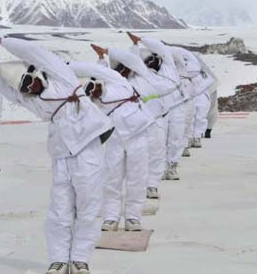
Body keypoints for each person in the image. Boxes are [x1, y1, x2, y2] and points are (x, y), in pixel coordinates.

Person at [0, 30, 112, 274]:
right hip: (61, 154)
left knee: (88, 207)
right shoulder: (31, 100)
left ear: (35, 73)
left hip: (88, 151)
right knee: (59, 210)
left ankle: (80, 259)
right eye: (25, 87)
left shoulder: (62, 78)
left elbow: (35, 52)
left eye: (29, 81)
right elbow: (3, 88)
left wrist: (2, 42)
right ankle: (58, 259)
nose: (30, 88)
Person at [73, 47, 153, 232]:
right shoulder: (99, 91)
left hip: (138, 134)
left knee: (137, 178)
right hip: (114, 137)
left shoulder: (127, 82)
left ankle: (133, 217)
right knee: (111, 179)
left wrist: (108, 51)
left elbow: (127, 63)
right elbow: (95, 72)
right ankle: (110, 217)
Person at [107, 40, 178, 201]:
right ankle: (124, 190)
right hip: (134, 126)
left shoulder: (153, 78)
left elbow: (171, 84)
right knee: (130, 159)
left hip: (156, 121)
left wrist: (138, 42)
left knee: (157, 153)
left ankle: (152, 185)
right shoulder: (124, 82)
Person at [129, 34, 187, 181]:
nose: (152, 61)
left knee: (176, 138)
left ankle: (172, 166)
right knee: (157, 145)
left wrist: (141, 40)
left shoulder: (169, 67)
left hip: (176, 107)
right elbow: (133, 62)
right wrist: (135, 46)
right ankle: (152, 174)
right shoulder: (144, 74)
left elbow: (162, 49)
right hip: (158, 111)